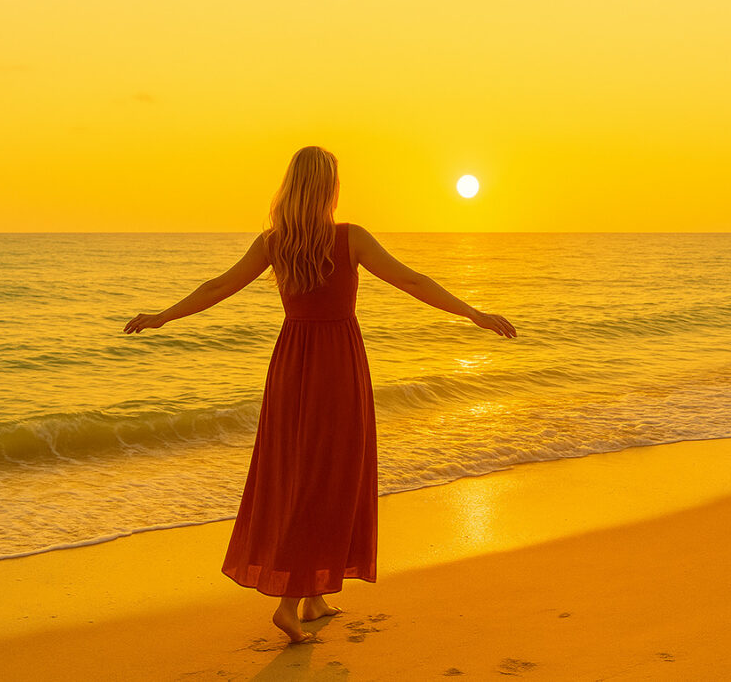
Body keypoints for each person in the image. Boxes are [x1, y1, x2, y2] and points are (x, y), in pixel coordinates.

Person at [123, 146, 517, 644]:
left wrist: (163, 316)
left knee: (302, 473)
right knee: (327, 478)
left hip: (292, 365)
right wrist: (472, 312)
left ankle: (314, 596)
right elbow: (411, 280)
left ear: (291, 186)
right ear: (330, 188)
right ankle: (289, 603)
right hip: (337, 365)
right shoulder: (350, 238)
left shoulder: (274, 242)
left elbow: (216, 286)